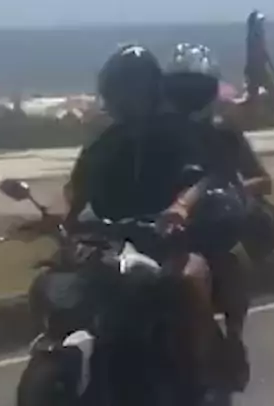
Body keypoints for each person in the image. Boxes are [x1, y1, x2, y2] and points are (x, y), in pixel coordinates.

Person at [63, 44, 248, 392]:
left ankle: (202, 374)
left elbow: (203, 175)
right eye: (117, 92)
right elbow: (78, 190)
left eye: (131, 90)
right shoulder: (103, 144)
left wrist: (182, 206)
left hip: (171, 239)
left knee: (188, 280)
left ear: (150, 90)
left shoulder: (179, 133)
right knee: (67, 285)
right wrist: (59, 220)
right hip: (115, 245)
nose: (123, 100)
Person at [163, 43, 273, 388]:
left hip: (212, 220)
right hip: (166, 223)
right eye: (182, 88)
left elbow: (264, 180)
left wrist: (233, 190)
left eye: (195, 87)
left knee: (232, 258)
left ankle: (233, 337)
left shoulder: (224, 132)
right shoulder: (160, 132)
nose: (188, 96)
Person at [245, 10, 274, 126]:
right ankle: (262, 120)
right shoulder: (254, 37)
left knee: (261, 94)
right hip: (256, 70)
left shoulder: (256, 36)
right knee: (268, 92)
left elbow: (264, 52)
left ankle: (265, 120)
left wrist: (271, 65)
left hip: (257, 69)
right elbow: (258, 53)